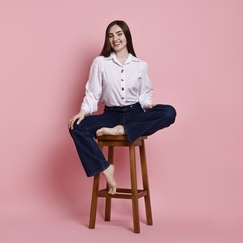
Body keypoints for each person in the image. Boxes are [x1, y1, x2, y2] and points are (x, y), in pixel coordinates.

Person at [68, 20, 176, 195]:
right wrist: (83, 111)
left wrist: (148, 105)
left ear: (127, 36)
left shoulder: (140, 65)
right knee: (76, 126)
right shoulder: (100, 62)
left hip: (135, 113)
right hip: (111, 115)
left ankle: (123, 130)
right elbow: (93, 92)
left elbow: (145, 93)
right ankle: (105, 167)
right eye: (110, 35)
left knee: (169, 112)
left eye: (119, 34)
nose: (115, 39)